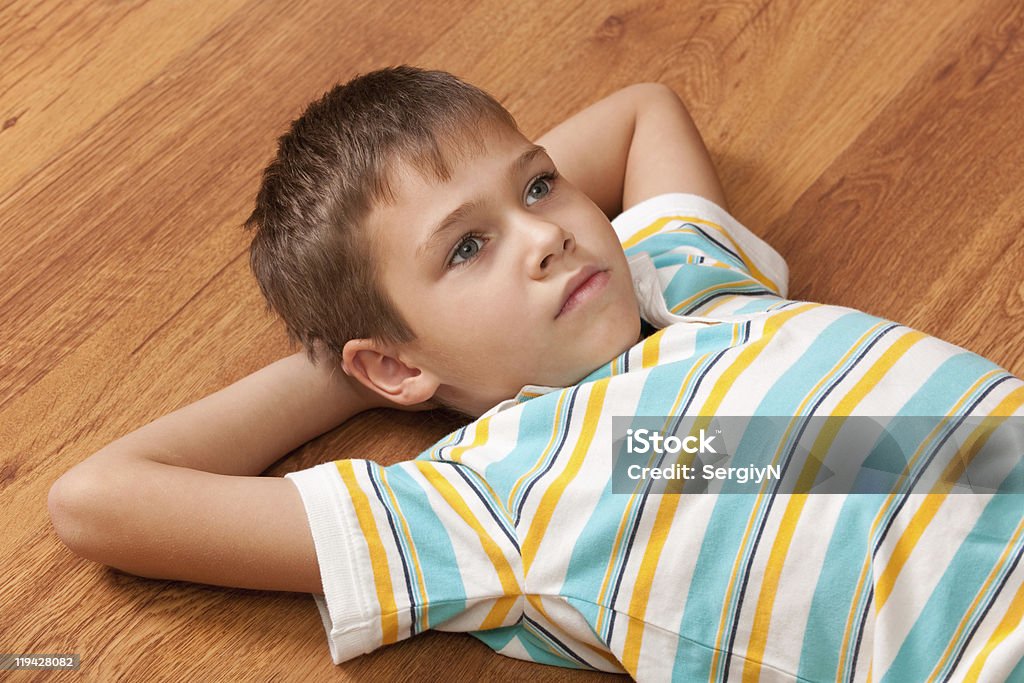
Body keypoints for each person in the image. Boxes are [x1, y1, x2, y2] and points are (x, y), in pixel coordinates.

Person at [48, 66, 1024, 681]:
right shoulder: (489, 500)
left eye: (539, 185)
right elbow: (97, 498)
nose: (546, 232)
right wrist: (367, 363)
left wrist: (423, 314)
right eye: (467, 247)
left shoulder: (693, 293)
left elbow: (642, 110)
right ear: (389, 363)